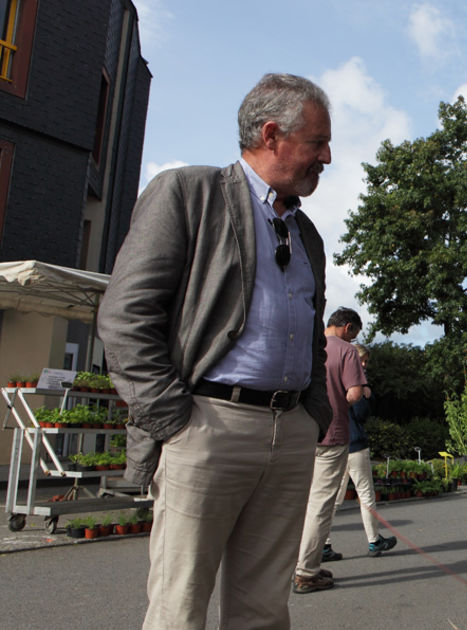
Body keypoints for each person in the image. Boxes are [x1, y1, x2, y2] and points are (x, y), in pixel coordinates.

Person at [98, 73, 333, 629]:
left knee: (264, 611)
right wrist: (175, 419)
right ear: (272, 134)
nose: (327, 155)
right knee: (179, 607)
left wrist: (311, 414)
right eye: (317, 142)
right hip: (206, 427)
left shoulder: (308, 235)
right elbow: (125, 316)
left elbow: (313, 332)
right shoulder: (188, 193)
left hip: (288, 427)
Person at [293, 307, 368, 593]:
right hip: (331, 433)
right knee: (320, 503)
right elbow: (355, 393)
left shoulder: (305, 341)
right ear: (348, 327)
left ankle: (292, 562)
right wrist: (340, 401)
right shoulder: (347, 352)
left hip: (297, 432)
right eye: (355, 333)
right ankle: (306, 570)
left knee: (294, 500)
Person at [328, 343, 397, 559]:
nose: (365, 364)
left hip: (332, 442)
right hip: (354, 443)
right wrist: (366, 393)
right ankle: (374, 540)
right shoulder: (355, 383)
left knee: (332, 497)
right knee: (365, 493)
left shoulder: (331, 377)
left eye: (366, 361)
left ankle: (322, 543)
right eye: (362, 360)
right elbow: (361, 414)